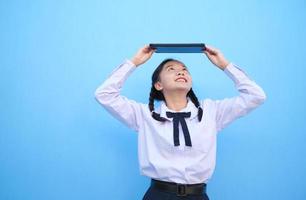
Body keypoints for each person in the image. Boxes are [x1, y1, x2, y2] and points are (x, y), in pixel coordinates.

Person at [94, 44, 267, 200]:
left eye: (185, 69)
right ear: (158, 85)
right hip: (158, 195)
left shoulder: (211, 112)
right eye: (171, 69)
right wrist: (134, 63)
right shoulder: (145, 115)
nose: (181, 72)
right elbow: (104, 95)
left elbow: (256, 96)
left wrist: (225, 65)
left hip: (198, 196)